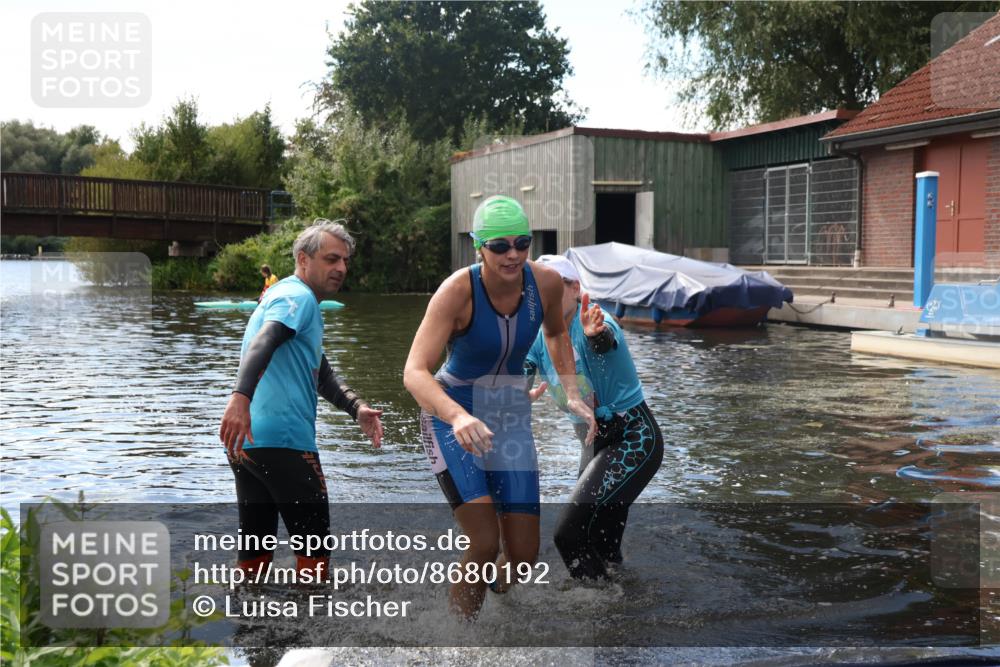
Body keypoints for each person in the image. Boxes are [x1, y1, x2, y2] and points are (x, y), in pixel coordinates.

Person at [404, 196, 595, 619]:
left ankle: (486, 599)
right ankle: (460, 639)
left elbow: (556, 334)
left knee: (524, 556)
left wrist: (571, 390)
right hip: (453, 414)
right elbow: (414, 372)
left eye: (522, 243)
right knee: (485, 542)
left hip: (508, 414)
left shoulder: (545, 284)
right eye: (500, 246)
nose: (513, 255)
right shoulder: (457, 292)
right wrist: (457, 416)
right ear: (479, 247)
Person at [219, 220, 384, 578]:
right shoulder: (299, 297)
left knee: (254, 553)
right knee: (315, 559)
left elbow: (319, 372)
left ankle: (246, 611)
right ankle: (311, 613)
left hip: (248, 444)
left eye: (345, 261)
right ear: (303, 260)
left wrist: (355, 407)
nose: (341, 268)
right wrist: (240, 397)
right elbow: (266, 340)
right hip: (285, 444)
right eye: (331, 259)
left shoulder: (283, 296)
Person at [524, 254, 664, 580]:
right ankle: (622, 601)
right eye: (537, 290)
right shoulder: (535, 338)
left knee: (568, 535)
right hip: (593, 447)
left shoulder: (595, 320)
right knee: (602, 546)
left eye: (553, 288)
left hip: (633, 439)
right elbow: (515, 380)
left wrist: (594, 334)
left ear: (575, 289)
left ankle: (597, 605)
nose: (545, 297)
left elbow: (604, 342)